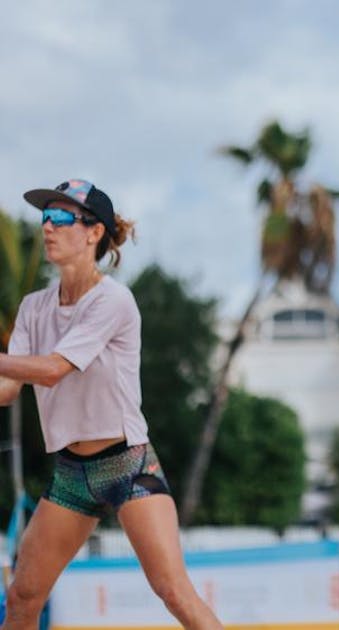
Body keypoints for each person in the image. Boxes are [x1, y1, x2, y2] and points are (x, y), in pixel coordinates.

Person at [0, 179, 222, 629]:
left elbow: (53, 369)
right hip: (70, 474)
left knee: (174, 592)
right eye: (44, 217)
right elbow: (7, 389)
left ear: (93, 232)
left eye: (61, 218)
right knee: (23, 595)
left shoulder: (113, 299)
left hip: (127, 466)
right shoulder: (32, 307)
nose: (47, 228)